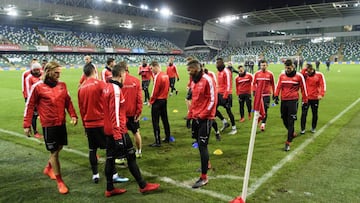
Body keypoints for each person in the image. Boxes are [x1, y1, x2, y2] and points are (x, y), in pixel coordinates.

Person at [102, 63, 160, 197]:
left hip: (108, 129)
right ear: (122, 74)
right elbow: (115, 114)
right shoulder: (116, 90)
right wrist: (118, 137)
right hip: (118, 130)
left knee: (110, 158)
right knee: (131, 156)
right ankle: (143, 186)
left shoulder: (107, 87)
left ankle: (109, 188)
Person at [23, 61, 78, 194]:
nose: (59, 75)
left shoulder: (62, 85)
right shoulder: (38, 87)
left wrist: (73, 115)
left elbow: (68, 101)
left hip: (61, 123)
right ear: (48, 72)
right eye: (56, 72)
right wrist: (27, 124)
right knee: (54, 152)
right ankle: (60, 182)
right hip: (49, 125)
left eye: (60, 72)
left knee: (59, 147)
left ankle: (48, 168)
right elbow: (29, 105)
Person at [78, 63, 129, 184]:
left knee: (92, 150)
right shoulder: (101, 84)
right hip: (101, 122)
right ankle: (114, 175)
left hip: (89, 124)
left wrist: (85, 125)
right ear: (94, 71)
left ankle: (95, 175)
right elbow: (109, 101)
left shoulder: (81, 88)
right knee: (109, 150)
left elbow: (81, 109)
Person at [186, 59, 217, 188]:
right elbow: (194, 100)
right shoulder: (194, 81)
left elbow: (212, 100)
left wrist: (202, 115)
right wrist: (190, 115)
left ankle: (204, 178)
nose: (189, 73)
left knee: (203, 146)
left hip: (206, 118)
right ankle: (207, 164)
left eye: (190, 70)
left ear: (197, 69)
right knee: (198, 143)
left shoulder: (207, 80)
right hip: (196, 117)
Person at [273, 59, 308, 151]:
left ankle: (288, 142)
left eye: (289, 68)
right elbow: (278, 86)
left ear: (293, 67)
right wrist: (276, 96)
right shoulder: (282, 76)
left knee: (291, 120)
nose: (287, 69)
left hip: (293, 101)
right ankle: (291, 132)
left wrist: (305, 101)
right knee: (284, 119)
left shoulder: (299, 76)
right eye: (286, 68)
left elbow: (303, 89)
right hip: (284, 100)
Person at [121, 62, 143, 158]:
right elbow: (139, 98)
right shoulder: (136, 80)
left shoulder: (118, 81)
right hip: (133, 112)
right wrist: (139, 112)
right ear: (127, 68)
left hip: (121, 113)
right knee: (136, 132)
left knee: (121, 134)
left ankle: (123, 155)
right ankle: (138, 151)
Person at [149, 61, 171, 147]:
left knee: (155, 121)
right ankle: (167, 137)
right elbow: (168, 88)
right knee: (165, 119)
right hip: (164, 100)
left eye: (151, 68)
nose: (151, 70)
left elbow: (155, 91)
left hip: (157, 101)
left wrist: (151, 101)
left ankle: (157, 141)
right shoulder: (165, 75)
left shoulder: (157, 76)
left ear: (155, 66)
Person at [300, 64, 326, 134]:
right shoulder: (304, 74)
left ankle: (313, 127)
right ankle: (302, 129)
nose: (307, 72)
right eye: (306, 71)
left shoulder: (319, 75)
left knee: (314, 113)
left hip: (315, 97)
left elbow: (323, 84)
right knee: (304, 113)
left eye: (309, 71)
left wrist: (321, 94)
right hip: (305, 97)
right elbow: (300, 75)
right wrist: (304, 69)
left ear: (312, 69)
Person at [216, 58, 237, 135]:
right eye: (216, 63)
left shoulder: (226, 72)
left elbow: (228, 84)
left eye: (218, 63)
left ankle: (234, 128)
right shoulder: (218, 72)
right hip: (219, 94)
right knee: (213, 109)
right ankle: (224, 122)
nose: (217, 65)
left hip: (226, 94)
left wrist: (225, 95)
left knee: (229, 111)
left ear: (222, 63)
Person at [252, 60, 275, 131]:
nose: (263, 67)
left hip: (267, 94)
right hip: (259, 95)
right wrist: (254, 90)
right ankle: (257, 121)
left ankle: (263, 124)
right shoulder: (257, 74)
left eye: (264, 65)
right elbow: (253, 83)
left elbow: (273, 84)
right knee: (257, 109)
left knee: (265, 110)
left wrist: (274, 93)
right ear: (260, 66)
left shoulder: (270, 74)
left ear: (267, 65)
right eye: (262, 65)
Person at [24, 62, 43, 139]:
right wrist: (33, 102)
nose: (37, 72)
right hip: (33, 100)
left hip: (41, 100)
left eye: (38, 70)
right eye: (35, 70)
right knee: (34, 116)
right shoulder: (29, 78)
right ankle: (35, 132)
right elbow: (29, 91)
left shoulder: (42, 75)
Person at [204, 67, 221, 141]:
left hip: (210, 102)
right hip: (202, 103)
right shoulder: (197, 79)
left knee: (211, 119)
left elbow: (214, 91)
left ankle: (216, 133)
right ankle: (202, 138)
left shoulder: (209, 80)